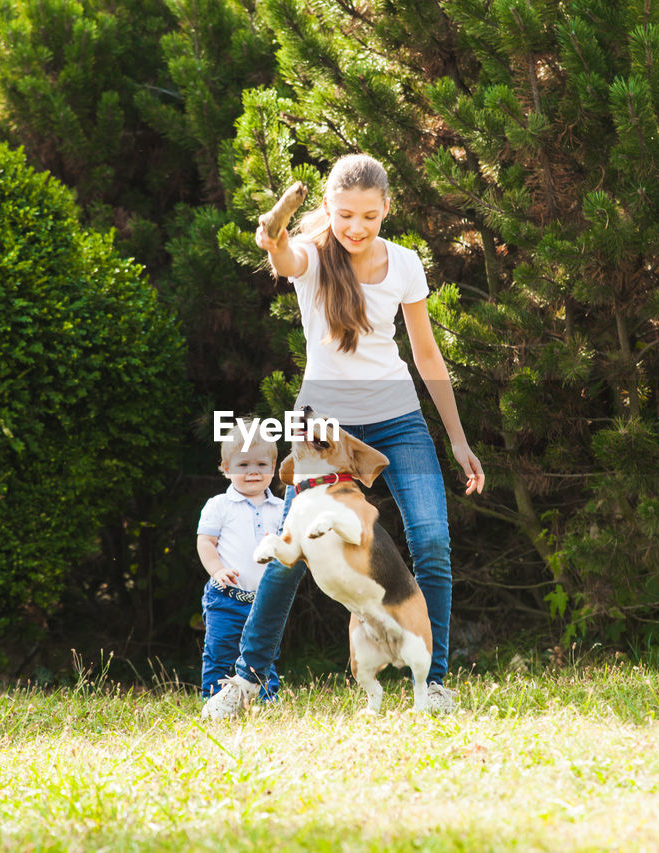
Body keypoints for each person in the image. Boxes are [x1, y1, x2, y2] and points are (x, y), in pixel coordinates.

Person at [200, 153, 485, 718]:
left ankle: (434, 683)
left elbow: (426, 354)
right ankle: (247, 680)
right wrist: (272, 229)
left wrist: (455, 437)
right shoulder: (312, 258)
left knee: (431, 542)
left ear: (386, 212)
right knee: (291, 546)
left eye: (369, 217)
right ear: (328, 208)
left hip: (398, 417)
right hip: (322, 426)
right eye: (345, 214)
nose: (356, 227)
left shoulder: (404, 264)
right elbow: (281, 254)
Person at [196, 431, 284, 700]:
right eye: (243, 465)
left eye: (261, 465)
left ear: (273, 467)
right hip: (226, 596)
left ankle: (264, 702)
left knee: (264, 653)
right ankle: (214, 701)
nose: (253, 472)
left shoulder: (282, 508)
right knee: (220, 651)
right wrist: (217, 570)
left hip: (266, 600)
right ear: (226, 468)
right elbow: (206, 542)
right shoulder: (220, 505)